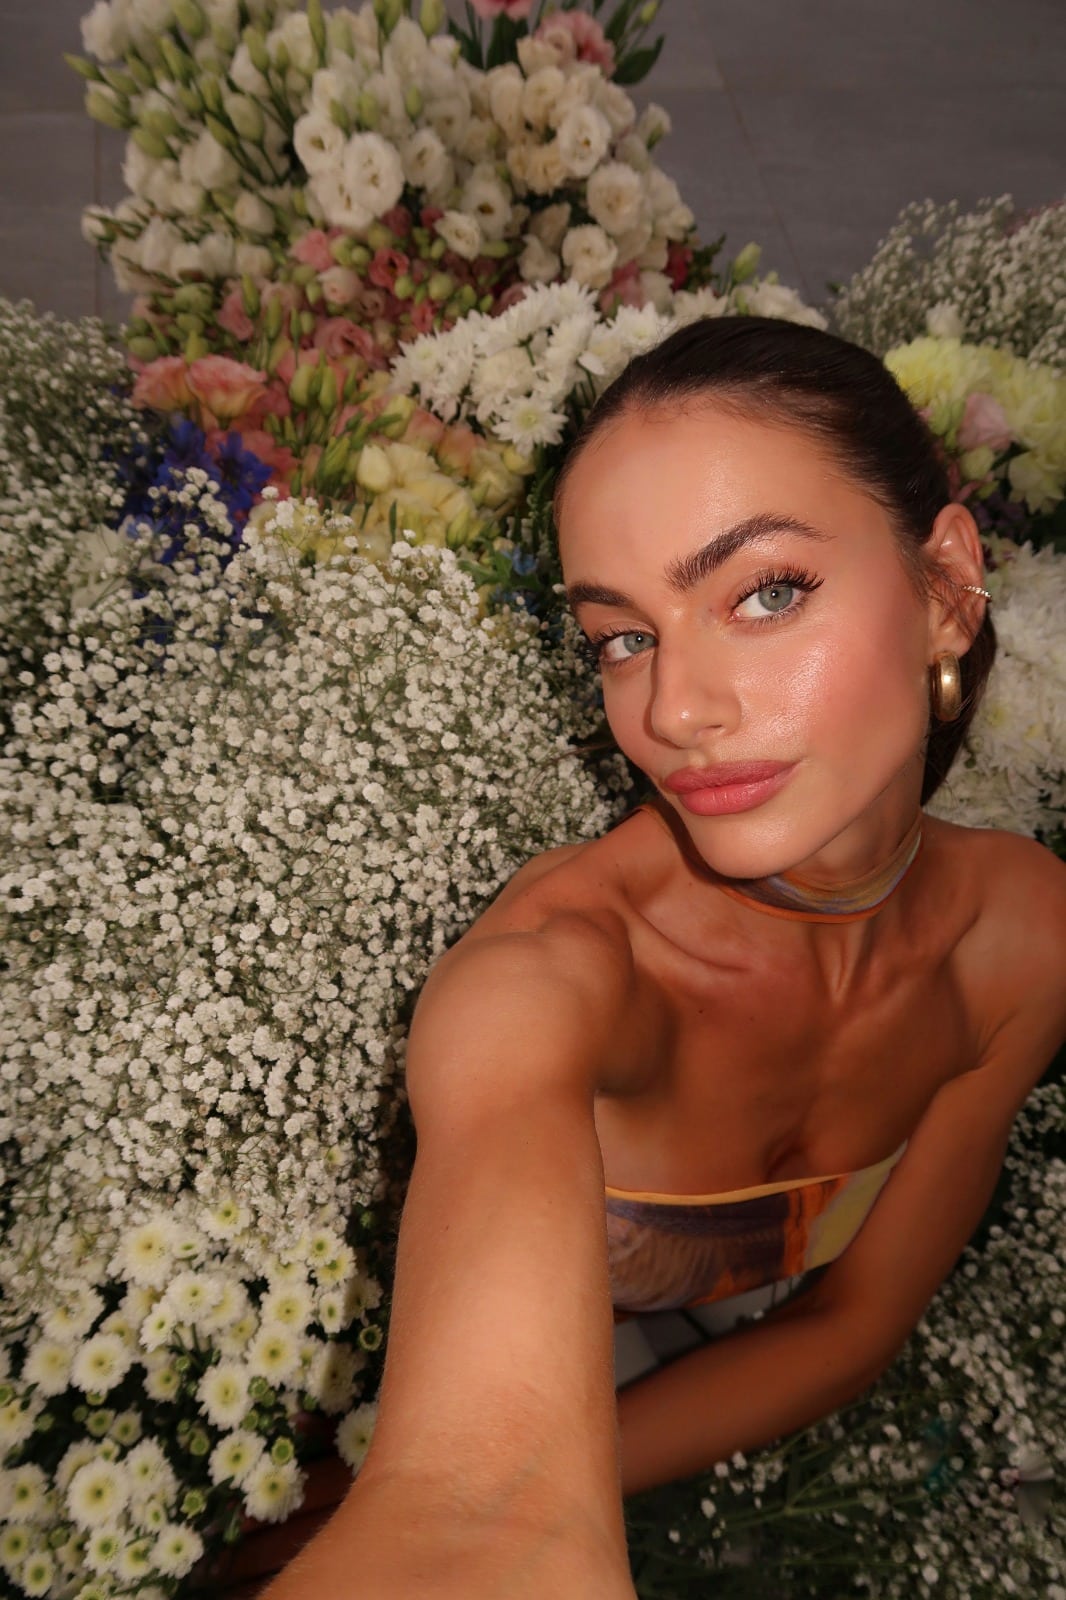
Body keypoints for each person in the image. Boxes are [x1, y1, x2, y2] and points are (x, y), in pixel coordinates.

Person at [265, 318, 1066, 1597]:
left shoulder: (1026, 934)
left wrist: (583, 1477)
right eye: (621, 637)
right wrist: (479, 1500)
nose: (675, 709)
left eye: (765, 593)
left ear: (945, 589)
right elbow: (471, 1509)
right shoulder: (549, 976)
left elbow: (857, 1321)